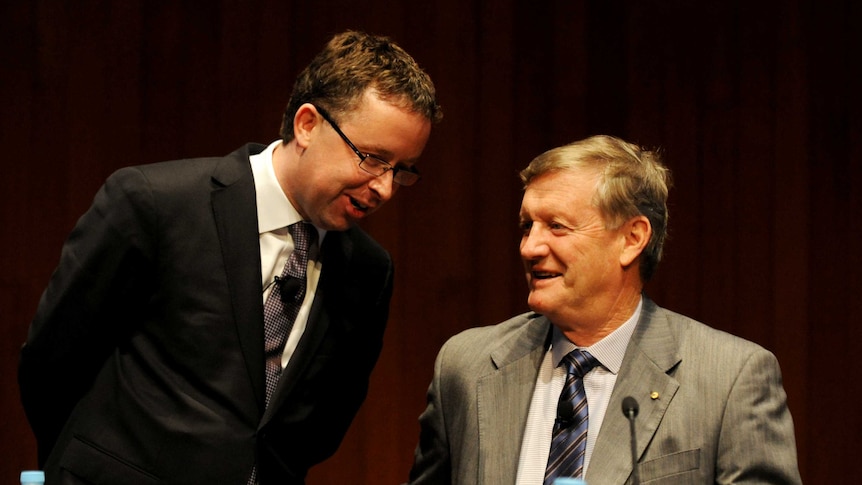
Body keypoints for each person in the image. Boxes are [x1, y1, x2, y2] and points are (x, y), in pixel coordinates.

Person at [19, 30, 442, 484]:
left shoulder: (368, 271)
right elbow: (51, 366)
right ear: (307, 125)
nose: (383, 188)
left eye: (401, 170)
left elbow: (323, 422)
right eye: (371, 158)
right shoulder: (156, 204)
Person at [408, 135, 801, 484]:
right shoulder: (466, 367)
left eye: (557, 226)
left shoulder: (729, 380)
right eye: (527, 226)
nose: (530, 247)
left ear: (632, 239)